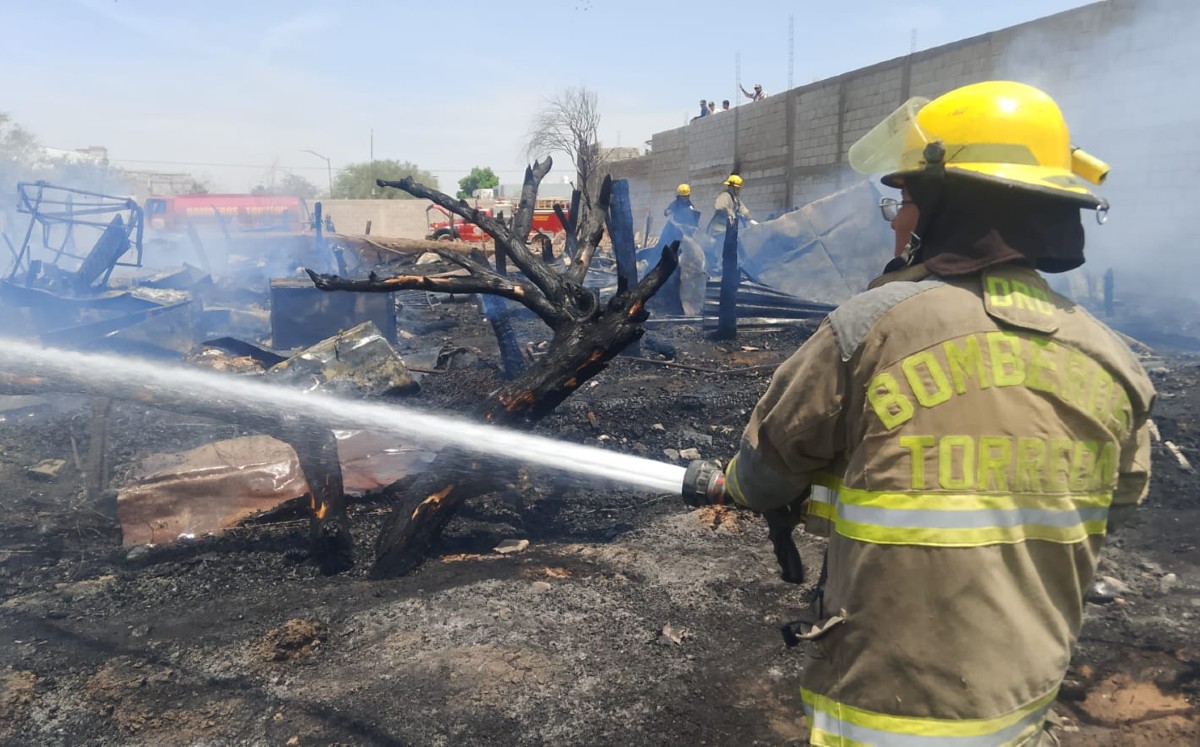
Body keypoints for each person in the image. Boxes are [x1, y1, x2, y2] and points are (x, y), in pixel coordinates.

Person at [689, 81, 1155, 745]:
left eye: (905, 200)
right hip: (1020, 710)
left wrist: (733, 484)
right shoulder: (1113, 360)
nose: (896, 220)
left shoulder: (868, 330)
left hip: (883, 716)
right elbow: (1119, 500)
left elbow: (765, 472)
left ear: (946, 207)